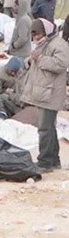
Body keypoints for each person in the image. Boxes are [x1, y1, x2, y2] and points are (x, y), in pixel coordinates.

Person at [21, 19, 69, 173]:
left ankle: (45, 161)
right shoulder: (46, 43)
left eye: (38, 33)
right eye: (33, 34)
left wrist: (40, 59)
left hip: (51, 93)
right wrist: (30, 60)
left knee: (44, 129)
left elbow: (61, 64)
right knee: (49, 128)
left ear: (46, 31)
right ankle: (53, 160)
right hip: (44, 92)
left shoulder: (59, 44)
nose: (36, 37)